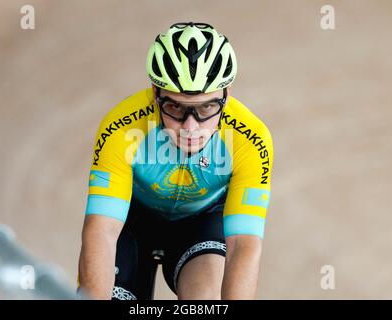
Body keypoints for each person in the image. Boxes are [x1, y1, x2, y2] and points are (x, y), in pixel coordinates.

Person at [77, 22, 274, 300]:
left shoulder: (251, 139)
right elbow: (102, 231)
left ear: (226, 96)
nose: (190, 127)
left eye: (207, 107)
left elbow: (244, 244)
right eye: (174, 107)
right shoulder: (121, 126)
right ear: (155, 94)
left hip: (201, 222)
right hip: (132, 221)